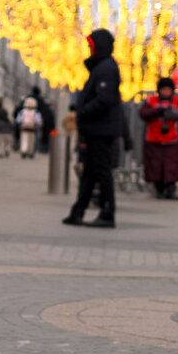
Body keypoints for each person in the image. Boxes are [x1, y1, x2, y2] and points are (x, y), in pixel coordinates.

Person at [63, 29, 123, 228]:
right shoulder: (102, 67)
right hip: (97, 129)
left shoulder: (106, 68)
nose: (89, 50)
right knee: (89, 172)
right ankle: (78, 211)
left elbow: (105, 99)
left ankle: (107, 213)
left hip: (101, 130)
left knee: (101, 172)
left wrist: (84, 111)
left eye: (91, 46)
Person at [139, 76, 178, 199]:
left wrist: (175, 114)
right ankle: (159, 188)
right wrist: (157, 111)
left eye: (168, 89)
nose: (166, 92)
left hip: (172, 139)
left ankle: (170, 189)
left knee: (171, 165)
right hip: (154, 138)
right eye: (164, 89)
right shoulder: (151, 101)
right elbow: (143, 114)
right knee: (155, 165)